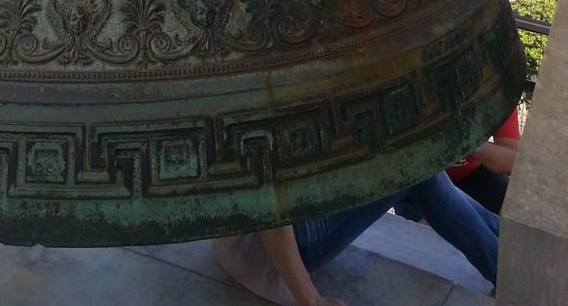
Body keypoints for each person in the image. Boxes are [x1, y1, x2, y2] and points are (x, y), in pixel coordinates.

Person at [213, 170, 499, 306]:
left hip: (263, 227)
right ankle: (507, 268)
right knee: (416, 174)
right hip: (266, 245)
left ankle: (507, 247)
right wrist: (311, 300)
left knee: (418, 168)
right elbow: (267, 208)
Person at [446, 108, 520, 213]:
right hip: (426, 179)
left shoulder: (497, 98)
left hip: (470, 175)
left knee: (512, 200)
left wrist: (469, 142)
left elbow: (511, 162)